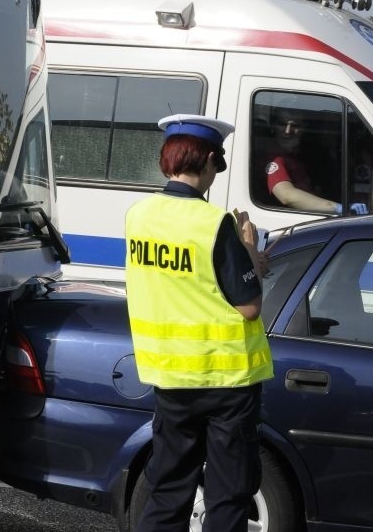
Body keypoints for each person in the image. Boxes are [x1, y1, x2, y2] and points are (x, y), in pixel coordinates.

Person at [125, 114, 272, 532]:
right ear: (208, 160)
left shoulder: (138, 216)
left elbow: (184, 281)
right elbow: (249, 307)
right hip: (226, 381)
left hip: (170, 377)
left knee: (167, 490)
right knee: (228, 495)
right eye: (216, 166)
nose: (214, 177)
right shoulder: (215, 223)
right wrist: (248, 250)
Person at [265, 109, 367, 215]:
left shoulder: (301, 155)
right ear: (273, 127)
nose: (287, 131)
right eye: (282, 124)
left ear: (303, 129)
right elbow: (286, 196)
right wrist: (340, 208)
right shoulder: (273, 157)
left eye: (295, 125)